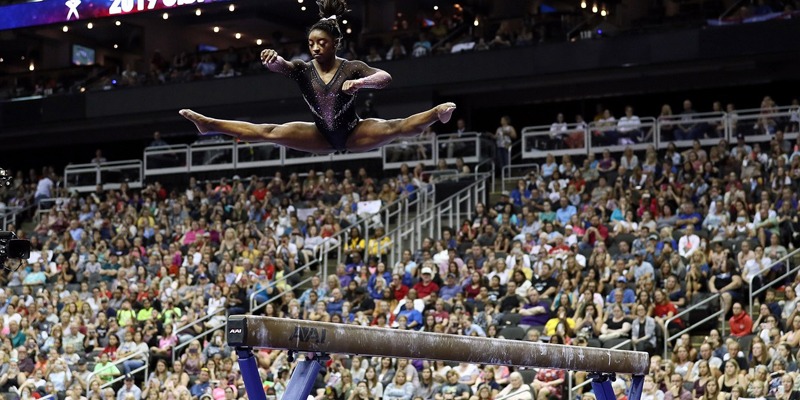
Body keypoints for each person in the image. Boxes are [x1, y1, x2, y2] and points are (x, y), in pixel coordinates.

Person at [180, 0, 455, 154]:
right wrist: (272, 61)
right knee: (268, 131)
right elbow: (282, 67)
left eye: (321, 43)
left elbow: (385, 77)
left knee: (397, 126)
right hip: (318, 134)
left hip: (354, 132)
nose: (314, 48)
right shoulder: (303, 69)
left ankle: (437, 113)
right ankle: (210, 125)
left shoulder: (351, 68)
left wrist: (361, 83)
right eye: (311, 43)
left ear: (335, 43)